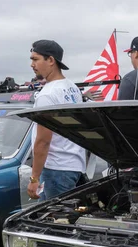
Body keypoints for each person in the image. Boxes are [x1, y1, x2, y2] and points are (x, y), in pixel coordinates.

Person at [27, 39, 86, 201]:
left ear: (51, 60)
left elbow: (43, 141)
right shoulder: (72, 88)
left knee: (52, 222)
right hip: (73, 165)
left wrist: (34, 178)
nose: (32, 64)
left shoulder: (47, 95)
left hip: (56, 169)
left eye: (35, 59)